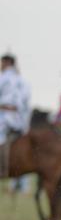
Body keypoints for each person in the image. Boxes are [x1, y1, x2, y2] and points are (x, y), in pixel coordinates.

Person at [0, 54, 31, 184]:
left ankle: (2, 168)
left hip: (5, 117)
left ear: (7, 62)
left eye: (2, 63)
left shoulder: (3, 78)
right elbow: (26, 101)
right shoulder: (22, 80)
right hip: (20, 120)